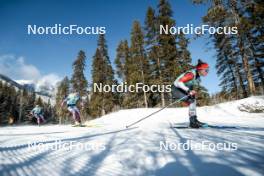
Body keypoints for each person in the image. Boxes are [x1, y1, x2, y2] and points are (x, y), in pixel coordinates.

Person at [172, 59, 209, 128]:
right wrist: (188, 91)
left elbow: (189, 85)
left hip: (180, 89)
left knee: (193, 99)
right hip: (176, 89)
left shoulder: (196, 76)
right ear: (200, 69)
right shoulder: (191, 74)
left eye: (208, 70)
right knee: (191, 100)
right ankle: (192, 122)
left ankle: (194, 120)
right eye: (206, 70)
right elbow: (179, 82)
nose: (207, 72)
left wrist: (191, 91)